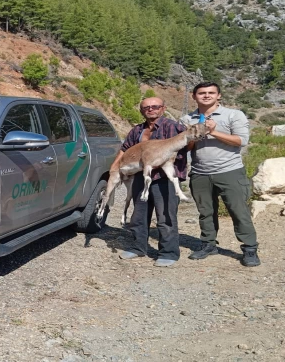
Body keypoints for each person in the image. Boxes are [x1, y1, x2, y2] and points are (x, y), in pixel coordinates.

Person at [181, 82, 260, 267]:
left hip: (229, 171)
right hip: (200, 172)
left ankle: (249, 248)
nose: (206, 96)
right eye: (201, 93)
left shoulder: (233, 114)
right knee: (205, 212)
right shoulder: (187, 119)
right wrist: (195, 135)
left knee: (238, 211)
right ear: (194, 96)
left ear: (219, 96)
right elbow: (185, 146)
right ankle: (208, 244)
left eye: (211, 93)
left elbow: (241, 140)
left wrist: (213, 131)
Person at [110, 97, 187, 267]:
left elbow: (189, 143)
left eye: (154, 106)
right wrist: (114, 169)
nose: (150, 109)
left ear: (163, 108)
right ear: (141, 111)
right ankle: (138, 247)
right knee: (139, 215)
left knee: (165, 215)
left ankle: (169, 252)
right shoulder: (137, 131)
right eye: (146, 107)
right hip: (140, 176)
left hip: (165, 178)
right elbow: (124, 150)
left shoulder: (174, 127)